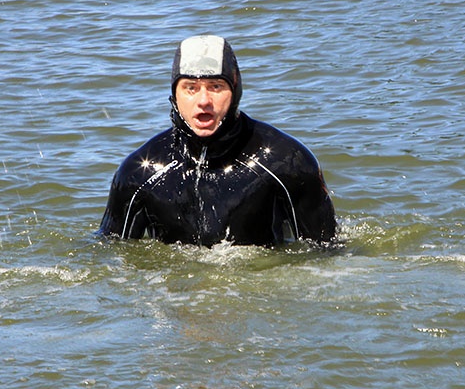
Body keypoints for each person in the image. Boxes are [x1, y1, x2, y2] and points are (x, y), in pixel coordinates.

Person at [98, 34, 337, 247]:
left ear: (235, 92)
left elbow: (326, 254)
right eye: (190, 88)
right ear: (175, 95)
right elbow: (110, 256)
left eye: (216, 86)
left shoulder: (285, 162)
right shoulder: (139, 174)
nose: (204, 100)